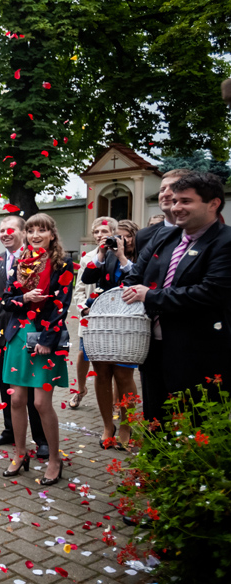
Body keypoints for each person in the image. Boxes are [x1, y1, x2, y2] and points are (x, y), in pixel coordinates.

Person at [122, 172, 231, 423]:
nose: (176, 207)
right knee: (155, 419)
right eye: (175, 201)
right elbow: (134, 276)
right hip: (154, 348)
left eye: (186, 201)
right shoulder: (164, 238)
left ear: (213, 204)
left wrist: (150, 296)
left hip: (199, 352)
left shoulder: (225, 241)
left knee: (194, 423)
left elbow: (210, 292)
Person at [0, 214, 73, 486]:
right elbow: (6, 302)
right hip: (19, 335)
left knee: (41, 403)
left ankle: (55, 460)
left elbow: (62, 305)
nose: (34, 235)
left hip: (46, 337)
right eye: (30, 230)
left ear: (52, 234)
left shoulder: (62, 264)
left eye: (41, 230)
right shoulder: (20, 263)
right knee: (17, 400)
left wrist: (47, 339)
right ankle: (20, 454)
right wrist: (24, 298)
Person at [0, 216, 48, 458]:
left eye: (10, 230)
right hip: (2, 333)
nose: (5, 234)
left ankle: (41, 439)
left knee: (31, 387)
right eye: (1, 231)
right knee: (7, 387)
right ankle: (11, 431)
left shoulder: (34, 260)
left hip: (28, 332)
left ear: (22, 233)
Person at [82, 219, 140, 449]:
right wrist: (102, 254)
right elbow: (88, 279)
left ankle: (126, 425)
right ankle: (108, 425)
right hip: (102, 321)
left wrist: (123, 257)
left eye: (126, 236)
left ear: (134, 238)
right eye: (118, 236)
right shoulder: (106, 257)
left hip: (127, 323)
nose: (121, 240)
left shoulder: (138, 258)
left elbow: (137, 280)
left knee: (124, 376)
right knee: (101, 373)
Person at [68, 217, 117, 409]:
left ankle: (115, 400)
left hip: (113, 316)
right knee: (83, 353)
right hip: (90, 315)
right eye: (96, 232)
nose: (99, 236)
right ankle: (80, 390)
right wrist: (83, 308)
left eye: (104, 232)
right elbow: (79, 289)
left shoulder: (120, 255)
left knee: (114, 358)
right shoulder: (87, 258)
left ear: (113, 232)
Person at [135, 169, 192, 254]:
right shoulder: (143, 235)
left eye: (174, 188)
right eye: (162, 190)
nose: (165, 194)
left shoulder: (201, 232)